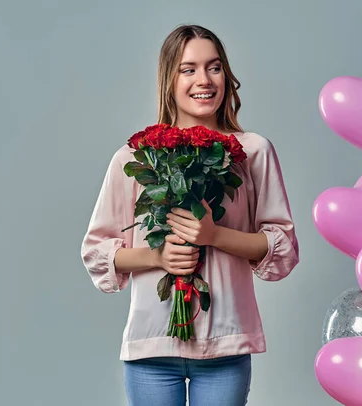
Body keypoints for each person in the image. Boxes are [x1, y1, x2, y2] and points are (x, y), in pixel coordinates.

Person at [80, 24, 299, 406]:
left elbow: (282, 249)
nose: (204, 80)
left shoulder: (253, 152)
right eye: (189, 69)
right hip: (151, 349)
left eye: (214, 68)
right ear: (170, 80)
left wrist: (214, 236)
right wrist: (156, 256)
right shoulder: (135, 157)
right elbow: (98, 251)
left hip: (225, 348)